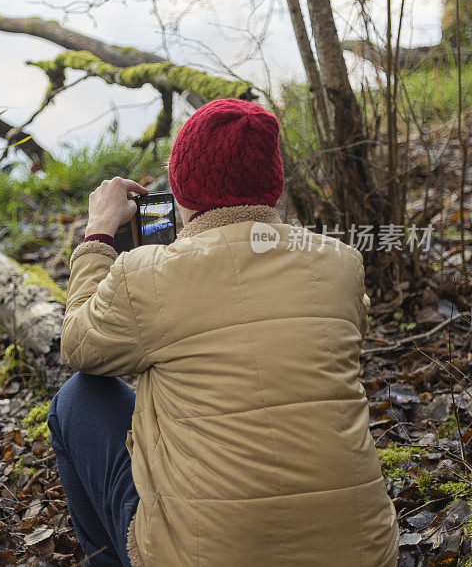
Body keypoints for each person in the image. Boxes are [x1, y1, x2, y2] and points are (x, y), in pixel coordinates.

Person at [48, 98, 398, 566]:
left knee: (78, 397)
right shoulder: (340, 263)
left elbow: (76, 343)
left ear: (182, 190)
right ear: (272, 188)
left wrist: (97, 235)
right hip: (362, 554)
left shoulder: (150, 276)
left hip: (204, 557)